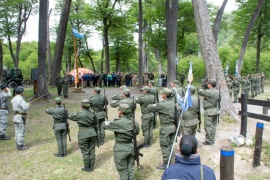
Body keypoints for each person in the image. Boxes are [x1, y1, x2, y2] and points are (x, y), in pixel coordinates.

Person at [102, 104, 140, 180]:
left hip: (120, 149)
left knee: (123, 171)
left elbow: (104, 125)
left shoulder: (118, 122)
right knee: (131, 169)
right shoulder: (134, 121)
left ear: (120, 112)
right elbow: (138, 132)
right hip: (131, 147)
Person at [147, 88, 176, 170]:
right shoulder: (174, 103)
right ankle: (171, 159)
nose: (161, 95)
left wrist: (154, 104)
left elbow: (149, 107)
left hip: (165, 128)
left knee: (165, 145)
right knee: (170, 144)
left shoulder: (162, 104)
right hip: (173, 127)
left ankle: (166, 163)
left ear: (164, 95)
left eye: (162, 93)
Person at [68, 99, 98, 172]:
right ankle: (91, 166)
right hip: (92, 133)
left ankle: (87, 167)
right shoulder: (93, 113)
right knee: (92, 151)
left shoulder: (79, 114)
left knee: (85, 151)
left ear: (82, 106)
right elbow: (96, 124)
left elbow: (70, 116)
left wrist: (78, 112)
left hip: (83, 134)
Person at [198, 79, 220, 145]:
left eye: (208, 84)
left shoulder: (209, 92)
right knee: (213, 126)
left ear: (210, 85)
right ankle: (212, 139)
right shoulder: (217, 91)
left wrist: (203, 87)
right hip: (215, 110)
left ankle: (209, 140)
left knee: (208, 126)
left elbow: (199, 92)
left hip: (209, 111)